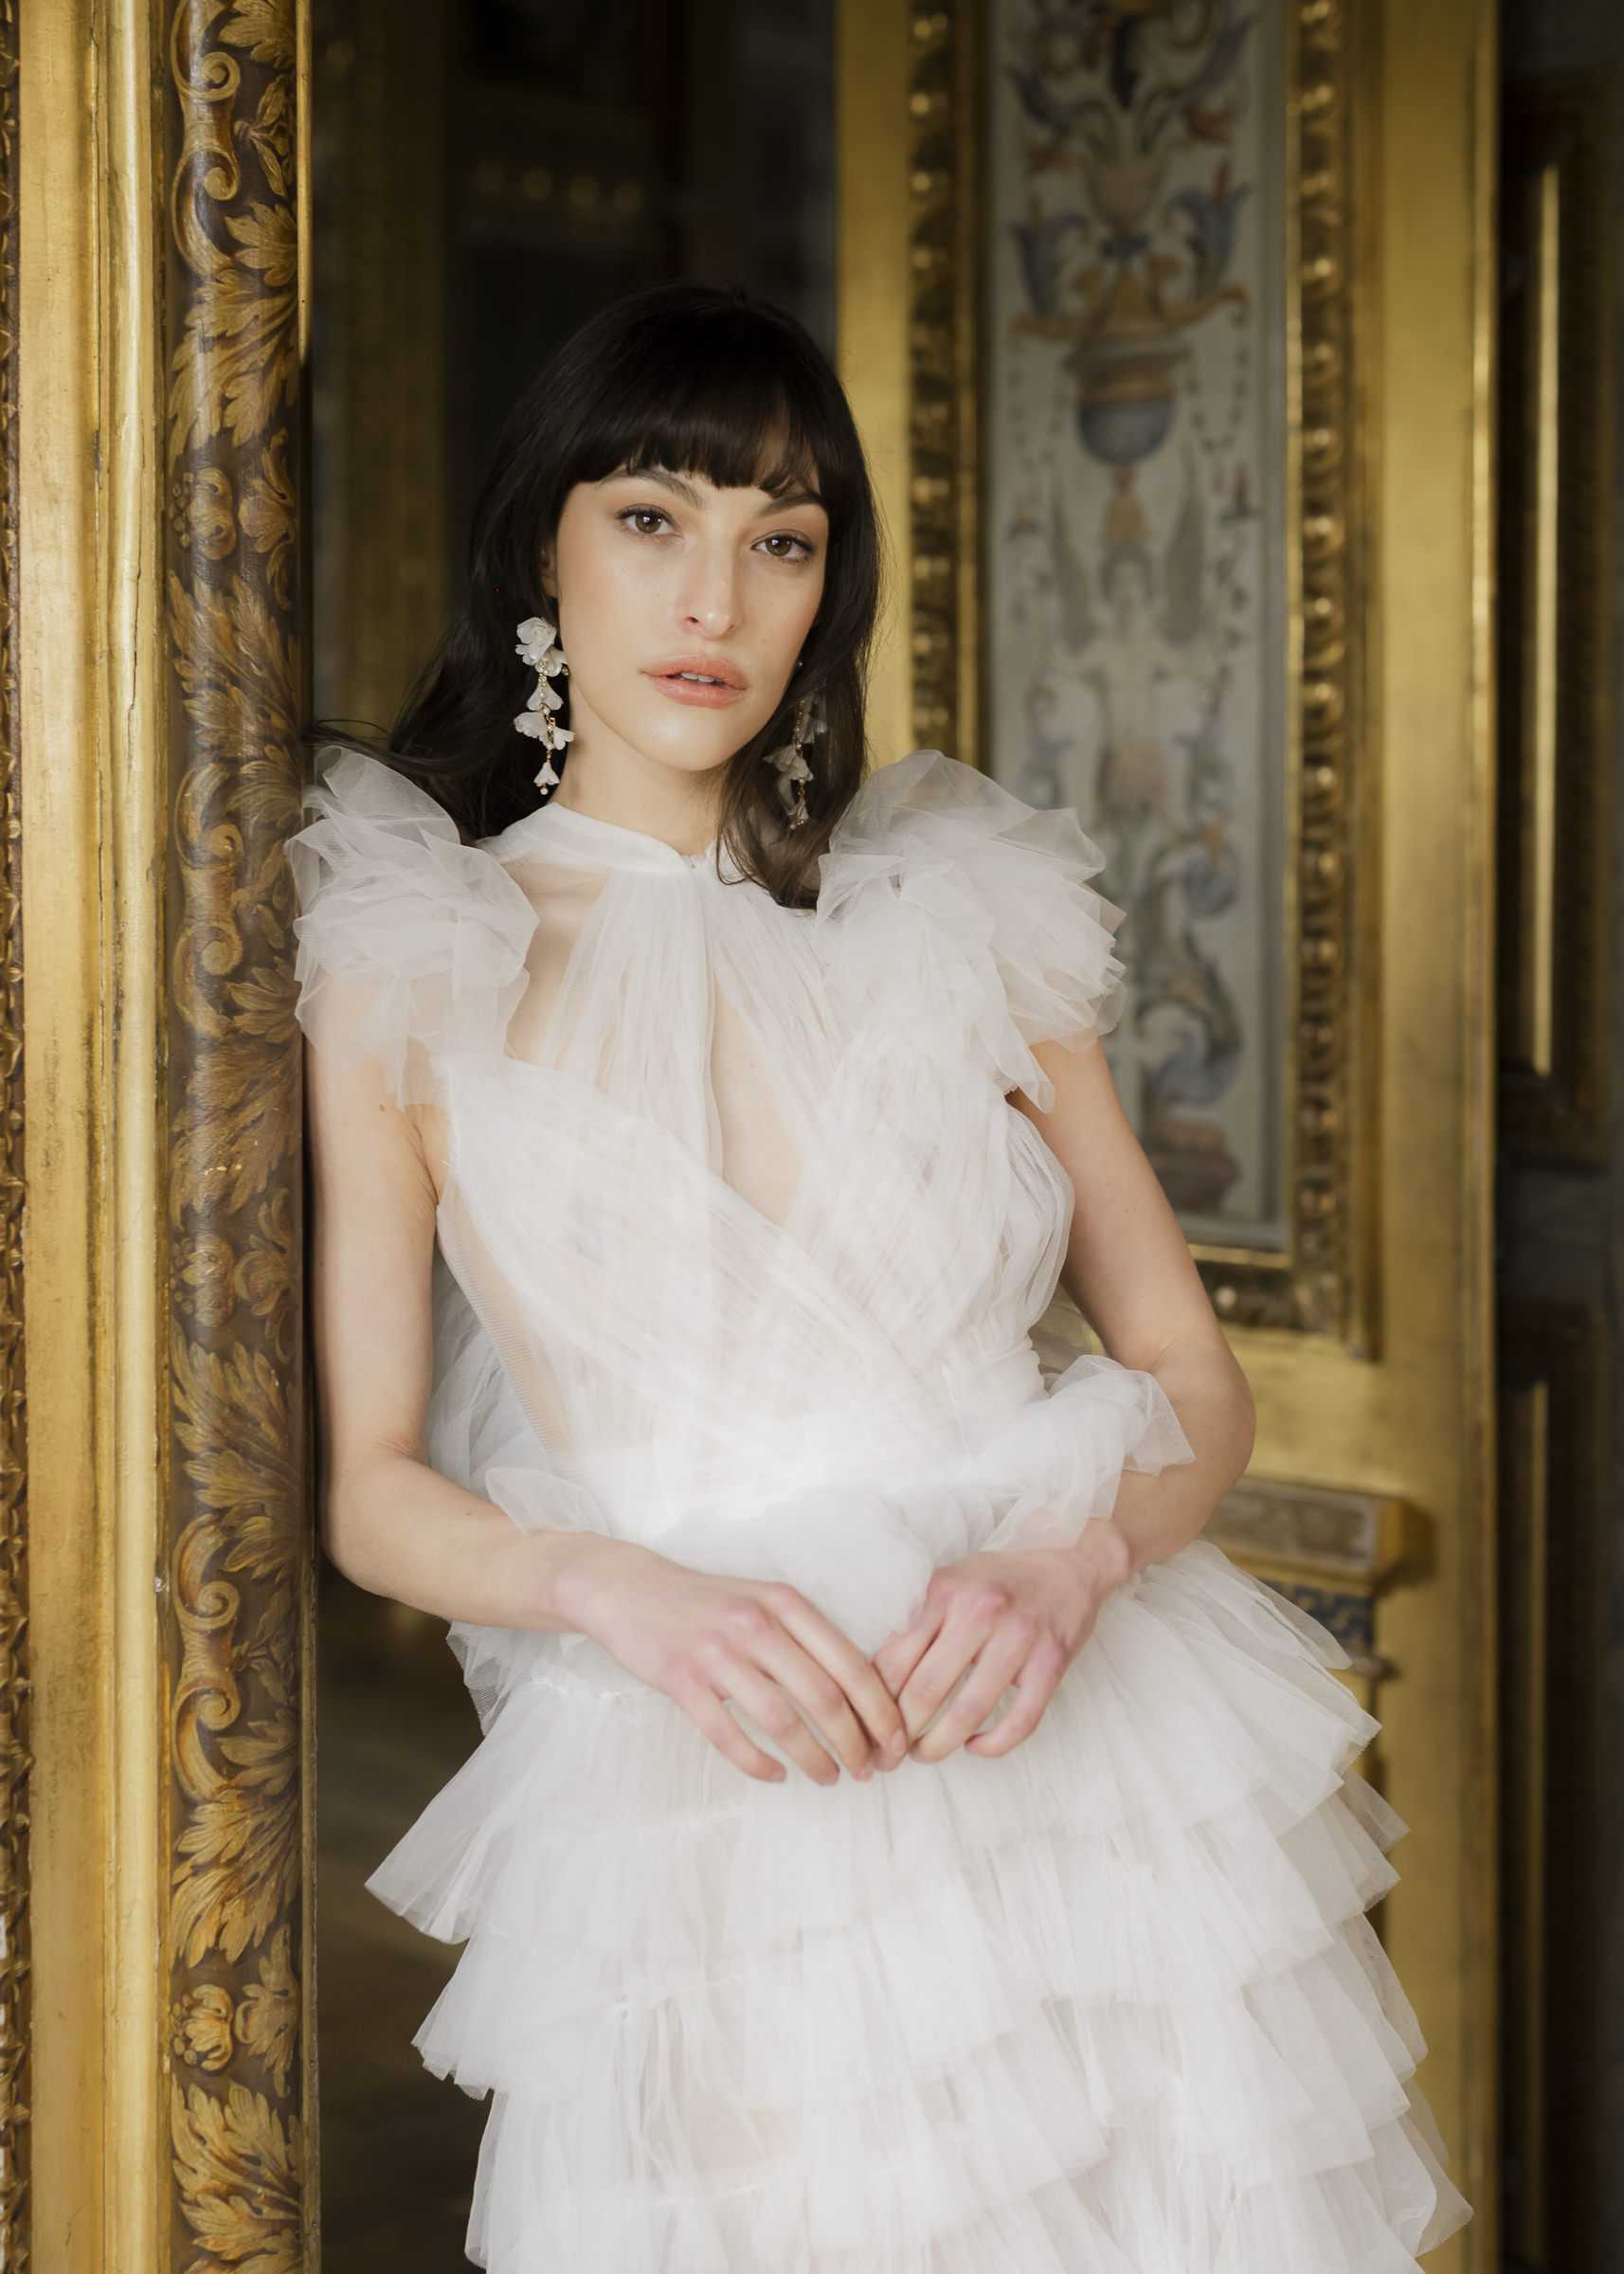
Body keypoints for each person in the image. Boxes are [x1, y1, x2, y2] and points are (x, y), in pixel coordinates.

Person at [291, 282, 1470, 2272]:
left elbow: (1186, 1371)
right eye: (650, 520)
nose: (714, 601)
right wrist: (613, 1588)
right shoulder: (422, 949)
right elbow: (376, 1488)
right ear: (541, 554)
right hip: (723, 1780)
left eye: (781, 542)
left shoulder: (957, 911)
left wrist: (1072, 1563)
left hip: (1089, 1751)